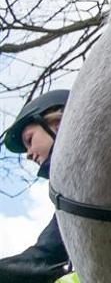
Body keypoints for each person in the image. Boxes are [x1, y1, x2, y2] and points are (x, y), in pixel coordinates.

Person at [0, 90, 71, 283]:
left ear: (57, 124)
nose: (29, 154)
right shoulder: (70, 195)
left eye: (29, 140)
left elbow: (44, 258)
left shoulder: (77, 193)